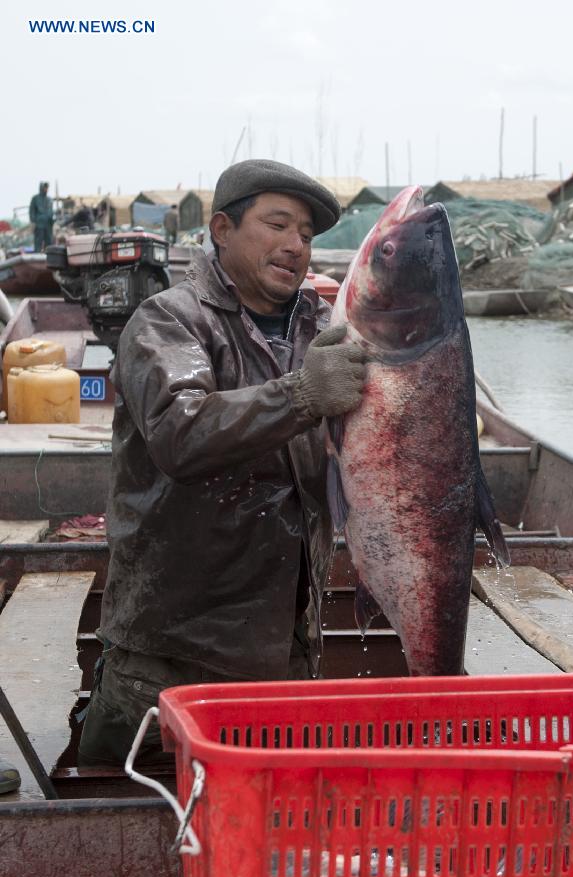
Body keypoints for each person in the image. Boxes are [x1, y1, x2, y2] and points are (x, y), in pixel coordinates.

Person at [78, 159, 367, 766]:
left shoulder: (322, 329)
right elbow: (180, 433)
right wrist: (302, 395)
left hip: (284, 651)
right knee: (130, 805)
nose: (295, 245)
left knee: (271, 828)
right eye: (277, 224)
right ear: (221, 229)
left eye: (308, 235)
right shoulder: (168, 319)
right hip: (169, 661)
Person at [29, 182, 54, 251]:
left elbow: (51, 211)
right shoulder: (35, 198)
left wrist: (52, 220)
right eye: (45, 187)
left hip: (48, 224)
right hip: (39, 224)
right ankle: (37, 255)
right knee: (38, 242)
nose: (46, 189)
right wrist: (33, 221)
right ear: (41, 188)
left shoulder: (49, 199)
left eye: (47, 188)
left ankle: (49, 255)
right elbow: (32, 211)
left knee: (49, 242)